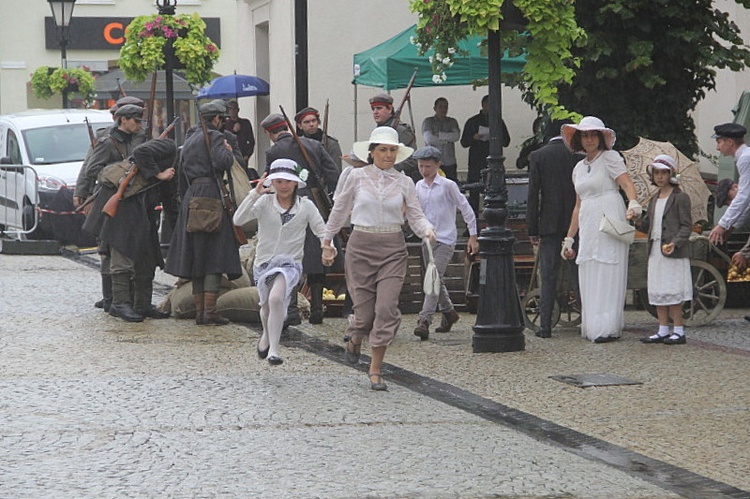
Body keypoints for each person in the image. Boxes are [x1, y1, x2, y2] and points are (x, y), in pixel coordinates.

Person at [321, 127, 435, 391]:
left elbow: (415, 215)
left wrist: (426, 230)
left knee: (385, 309)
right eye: (383, 150)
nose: (388, 155)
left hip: (393, 248)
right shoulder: (356, 176)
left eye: (392, 150)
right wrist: (327, 241)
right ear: (371, 152)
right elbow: (340, 210)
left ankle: (375, 368)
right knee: (363, 315)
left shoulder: (405, 181)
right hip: (361, 246)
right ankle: (356, 335)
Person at [233, 159, 329, 365]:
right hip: (264, 263)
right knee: (267, 306)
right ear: (272, 183)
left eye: (288, 181)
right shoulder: (264, 203)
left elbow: (322, 230)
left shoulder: (306, 206)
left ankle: (274, 350)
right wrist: (254, 194)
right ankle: (267, 335)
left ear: (295, 183)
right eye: (278, 181)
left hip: (290, 264)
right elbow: (238, 220)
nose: (283, 186)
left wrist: (327, 247)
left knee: (277, 298)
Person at [560, 116, 642, 343]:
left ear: (600, 137)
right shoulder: (578, 168)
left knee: (607, 267)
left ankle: (607, 327)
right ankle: (594, 325)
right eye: (584, 135)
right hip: (588, 218)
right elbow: (577, 205)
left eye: (592, 134)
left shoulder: (610, 158)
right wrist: (569, 238)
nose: (589, 139)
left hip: (609, 213)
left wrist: (633, 202)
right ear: (579, 139)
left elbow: (626, 183)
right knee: (589, 267)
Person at [164, 100, 243, 326]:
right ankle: (210, 311)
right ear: (216, 119)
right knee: (213, 256)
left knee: (197, 258)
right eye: (222, 119)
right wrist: (228, 152)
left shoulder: (189, 140)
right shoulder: (216, 137)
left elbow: (180, 173)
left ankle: (200, 311)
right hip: (211, 196)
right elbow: (223, 161)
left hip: (192, 197)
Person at [84, 139, 178, 322]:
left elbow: (170, 199)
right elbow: (141, 152)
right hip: (123, 205)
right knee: (122, 255)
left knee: (148, 257)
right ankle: (119, 303)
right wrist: (158, 174)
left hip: (142, 211)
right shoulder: (169, 147)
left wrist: (178, 233)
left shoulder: (175, 169)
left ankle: (142, 304)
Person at [262, 112, 341, 325]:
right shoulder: (313, 145)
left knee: (289, 254)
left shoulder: (273, 151)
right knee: (316, 255)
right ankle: (317, 309)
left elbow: (270, 181)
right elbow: (333, 172)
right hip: (316, 201)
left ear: (270, 133)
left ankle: (292, 310)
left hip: (289, 203)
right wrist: (330, 195)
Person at [79, 104, 148, 318]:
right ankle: (117, 301)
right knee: (116, 249)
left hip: (131, 201)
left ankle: (122, 301)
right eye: (135, 120)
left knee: (125, 249)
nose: (139, 124)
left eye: (140, 120)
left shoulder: (135, 140)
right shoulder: (108, 143)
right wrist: (119, 173)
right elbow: (92, 169)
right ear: (122, 120)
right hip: (112, 200)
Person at [411, 146, 478, 340]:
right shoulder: (418, 186)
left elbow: (465, 208)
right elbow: (417, 213)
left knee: (433, 276)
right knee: (435, 278)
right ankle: (449, 312)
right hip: (427, 238)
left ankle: (424, 320)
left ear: (438, 165)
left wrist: (472, 235)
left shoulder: (448, 185)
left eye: (428, 166)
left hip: (446, 238)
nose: (424, 170)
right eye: (421, 166)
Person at [526, 119, 582, 338]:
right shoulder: (578, 156)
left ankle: (545, 325)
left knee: (548, 275)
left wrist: (532, 228)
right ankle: (587, 319)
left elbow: (533, 196)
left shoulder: (539, 156)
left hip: (549, 224)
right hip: (575, 223)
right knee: (577, 273)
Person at [634, 155, 692, 345]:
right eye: (656, 173)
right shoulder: (654, 199)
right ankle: (662, 328)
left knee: (672, 290)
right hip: (655, 250)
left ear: (671, 174)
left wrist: (675, 242)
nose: (659, 177)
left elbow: (686, 226)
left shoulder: (679, 197)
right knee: (658, 289)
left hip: (671, 251)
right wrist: (636, 221)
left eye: (663, 173)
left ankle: (678, 329)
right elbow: (649, 226)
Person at [460, 95, 511, 218]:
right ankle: (472, 224)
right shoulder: (472, 121)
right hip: (476, 161)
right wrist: (473, 137)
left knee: (497, 191)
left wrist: (496, 138)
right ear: (483, 105)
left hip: (494, 161)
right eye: (489, 105)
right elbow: (463, 142)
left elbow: (506, 141)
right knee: (474, 194)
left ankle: (496, 219)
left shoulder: (498, 121)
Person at [708, 123, 750, 245]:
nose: (717, 148)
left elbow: (744, 196)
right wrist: (730, 227)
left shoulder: (745, 159)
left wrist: (722, 225)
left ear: (730, 142)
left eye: (719, 142)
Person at [368, 93, 419, 182]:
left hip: (400, 180)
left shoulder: (401, 130)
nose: (375, 112)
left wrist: (389, 168)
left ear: (390, 109)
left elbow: (412, 160)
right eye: (373, 109)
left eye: (379, 108)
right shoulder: (378, 131)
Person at [421, 97, 461, 182]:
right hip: (433, 161)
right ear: (434, 108)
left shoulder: (452, 121)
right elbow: (429, 139)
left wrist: (439, 134)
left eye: (445, 107)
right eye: (440, 107)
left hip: (449, 161)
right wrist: (447, 139)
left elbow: (456, 136)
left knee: (451, 186)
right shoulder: (428, 122)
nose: (443, 109)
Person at [223, 100, 256, 164]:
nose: (232, 111)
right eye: (230, 109)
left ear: (238, 110)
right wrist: (233, 131)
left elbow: (251, 140)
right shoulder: (225, 124)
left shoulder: (245, 123)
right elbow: (224, 139)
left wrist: (248, 155)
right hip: (230, 156)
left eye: (234, 109)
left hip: (243, 156)